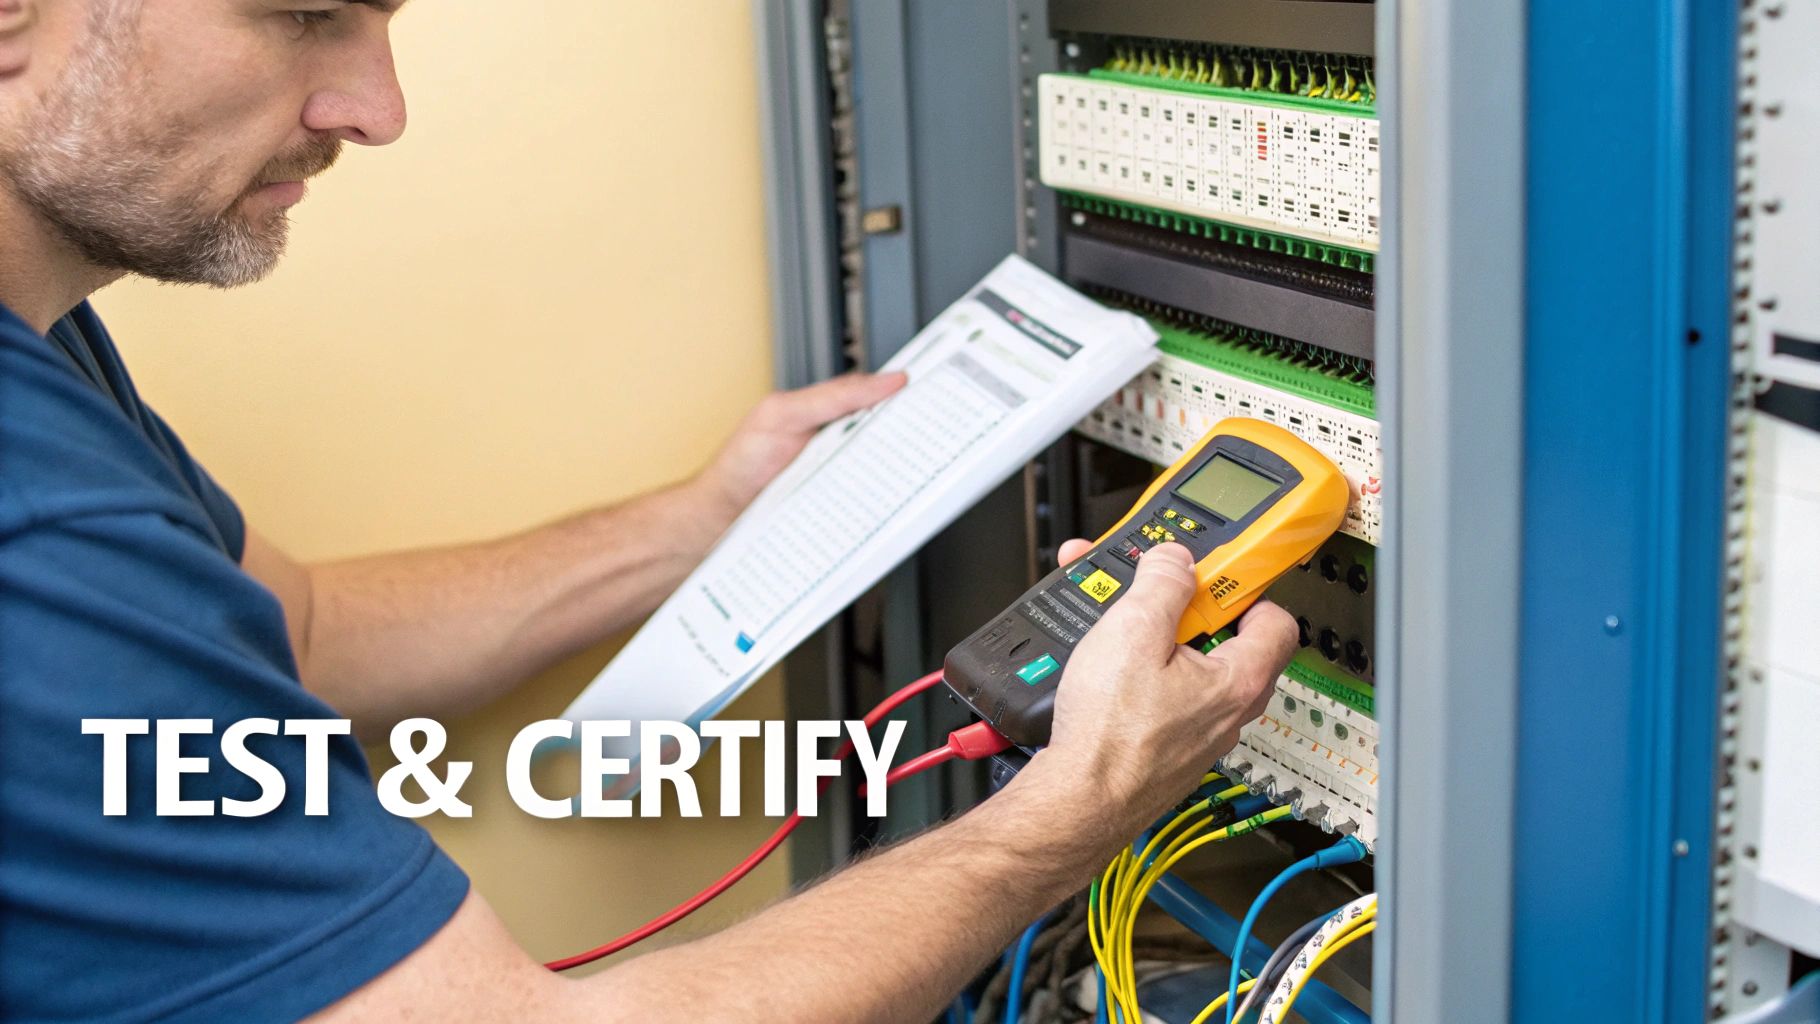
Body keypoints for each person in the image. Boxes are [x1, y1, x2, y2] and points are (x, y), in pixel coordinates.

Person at [0, 2, 1299, 1020]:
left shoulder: (44, 347)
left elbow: (304, 631)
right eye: (299, 13)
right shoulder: (35, 514)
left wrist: (714, 520)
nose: (379, 109)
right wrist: (1068, 813)